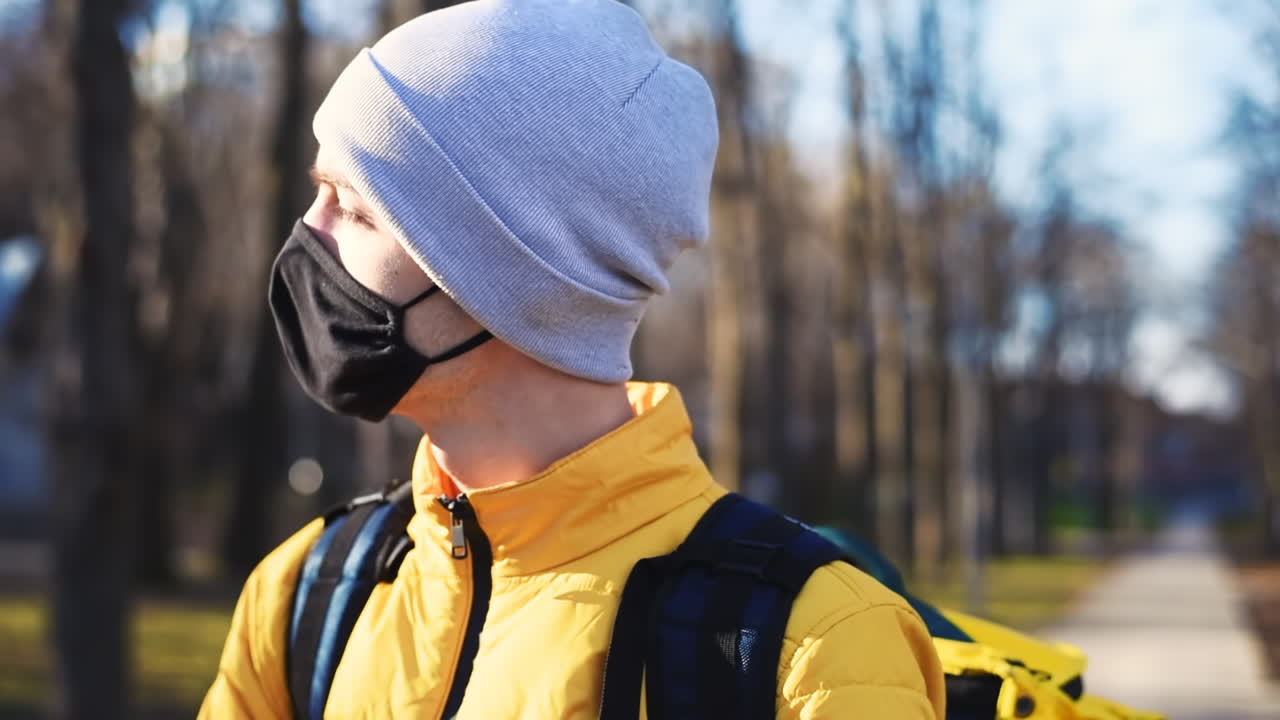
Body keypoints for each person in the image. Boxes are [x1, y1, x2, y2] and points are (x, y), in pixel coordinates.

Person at [200, 0, 946, 717]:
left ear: (514, 279)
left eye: (355, 208)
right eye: (318, 193)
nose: (307, 233)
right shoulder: (307, 594)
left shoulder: (813, 654)